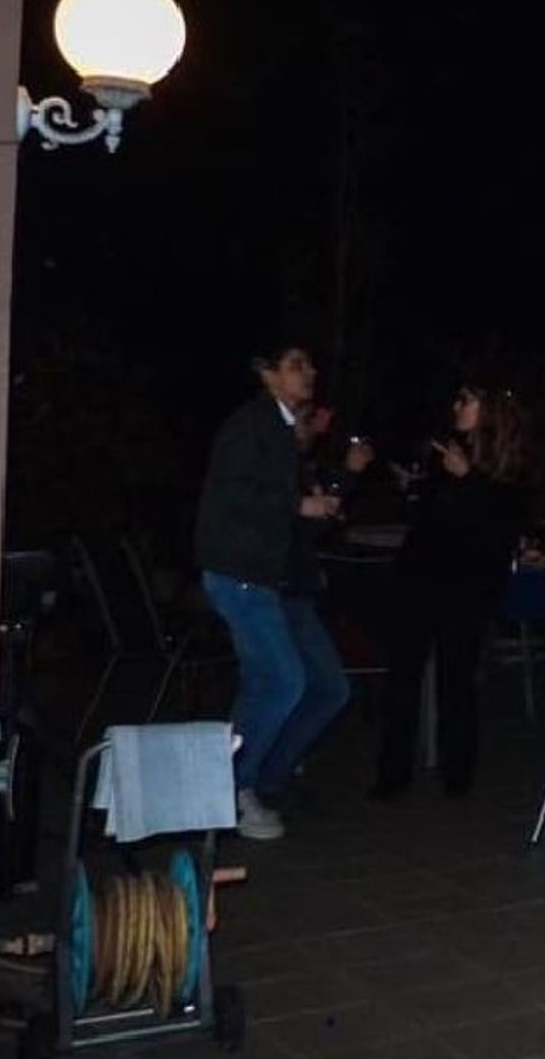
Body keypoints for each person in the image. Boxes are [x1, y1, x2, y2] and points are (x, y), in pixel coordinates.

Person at [194, 341, 371, 840]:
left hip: (261, 577)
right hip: (240, 573)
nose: (309, 372)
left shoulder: (276, 429)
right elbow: (232, 493)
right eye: (296, 366)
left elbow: (282, 512)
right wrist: (298, 504)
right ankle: (233, 788)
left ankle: (238, 784)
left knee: (277, 683)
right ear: (268, 374)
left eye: (309, 364)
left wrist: (312, 503)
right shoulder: (253, 425)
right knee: (282, 682)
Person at [372, 376, 529, 800]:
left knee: (456, 682)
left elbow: (498, 527)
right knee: (403, 678)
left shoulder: (506, 467)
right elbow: (432, 518)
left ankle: (457, 774)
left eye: (467, 400)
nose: (457, 406)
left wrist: (468, 479)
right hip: (419, 581)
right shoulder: (445, 452)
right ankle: (392, 775)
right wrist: (415, 487)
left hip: (466, 589)